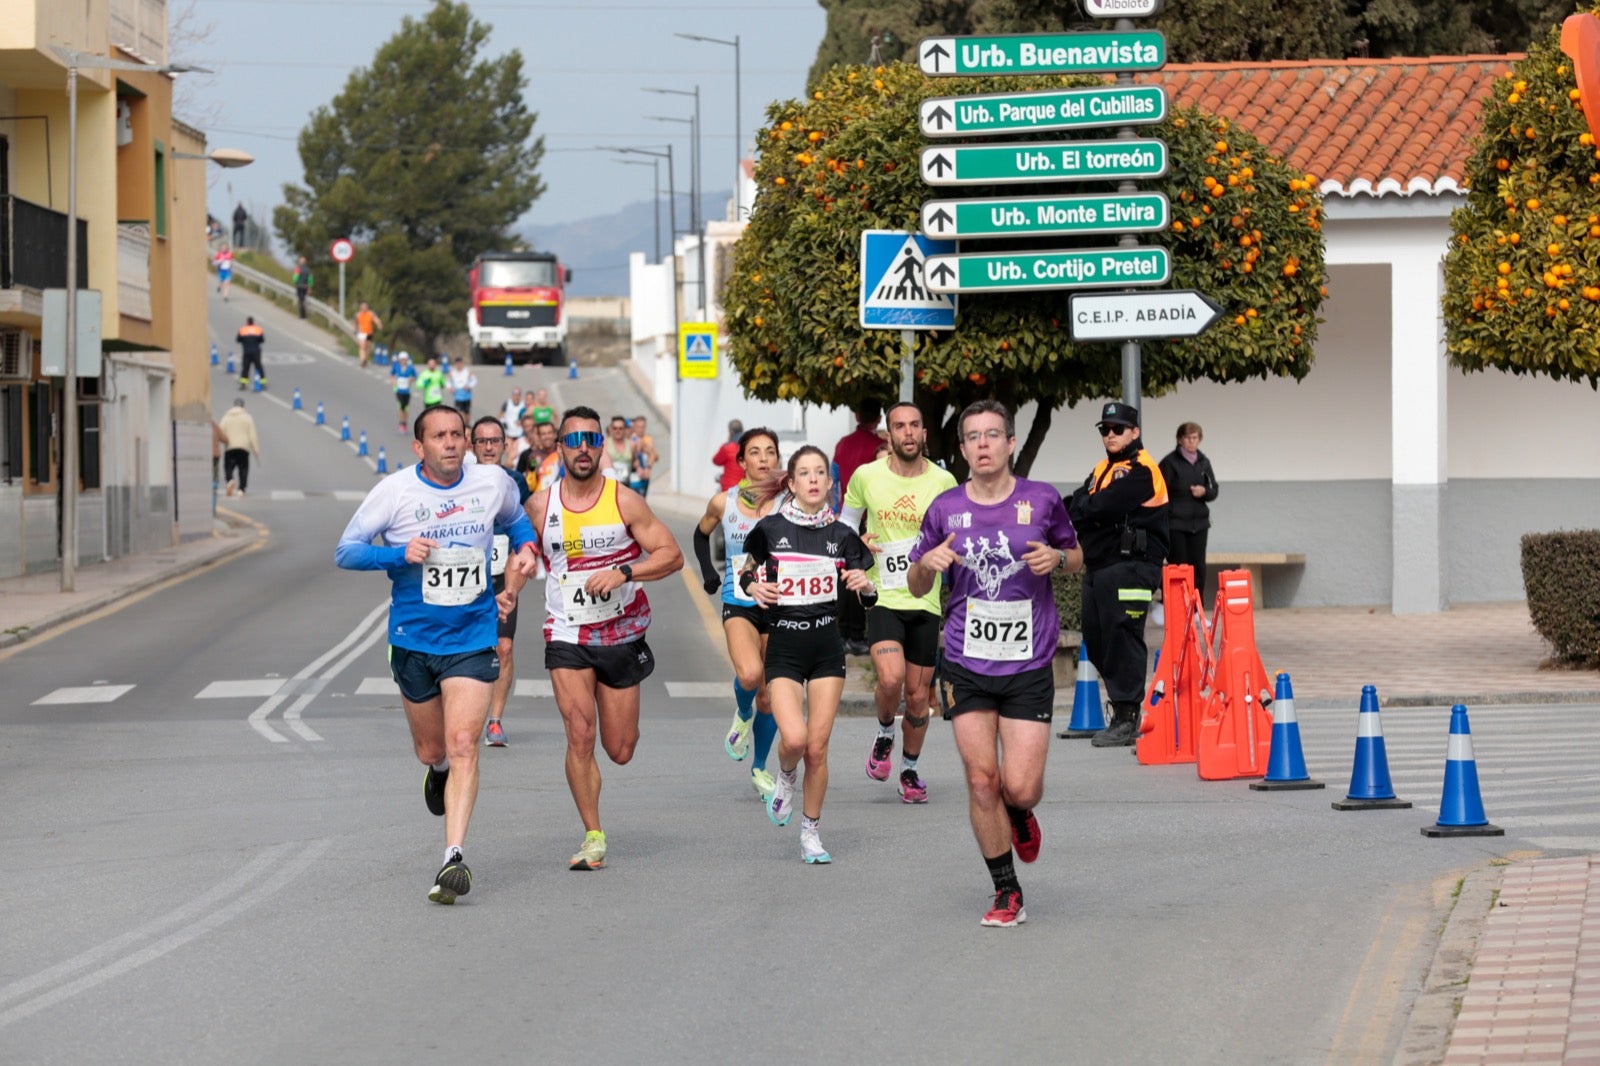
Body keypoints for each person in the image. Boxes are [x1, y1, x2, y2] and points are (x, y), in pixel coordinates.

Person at [336, 405, 539, 903]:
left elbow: (518, 523)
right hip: (413, 641)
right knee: (434, 750)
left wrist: (527, 549)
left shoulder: (491, 482)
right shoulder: (397, 491)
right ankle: (438, 771)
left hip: (472, 636)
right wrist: (396, 554)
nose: (451, 443)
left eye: (457, 435)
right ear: (419, 446)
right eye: (439, 436)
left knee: (464, 742)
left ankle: (453, 857)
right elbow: (346, 550)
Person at [907, 399, 1082, 927]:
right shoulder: (943, 509)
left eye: (993, 435)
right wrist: (926, 566)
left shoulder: (1043, 500)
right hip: (964, 661)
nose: (983, 444)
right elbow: (916, 581)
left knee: (1019, 787)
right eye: (973, 437)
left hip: (1028, 666)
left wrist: (1058, 559)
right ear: (961, 450)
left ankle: (1022, 813)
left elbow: (1076, 557)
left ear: (1009, 443)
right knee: (982, 780)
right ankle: (1007, 890)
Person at [501, 406, 685, 870]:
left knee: (620, 749)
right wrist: (510, 589)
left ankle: (606, 785)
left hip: (621, 633)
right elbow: (521, 558)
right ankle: (593, 835)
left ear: (602, 446)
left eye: (591, 439)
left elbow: (672, 555)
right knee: (579, 732)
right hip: (567, 633)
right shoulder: (541, 506)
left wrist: (623, 570)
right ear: (559, 447)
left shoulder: (624, 500)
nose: (583, 447)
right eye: (574, 439)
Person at [738, 446, 878, 864]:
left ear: (830, 483)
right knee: (795, 740)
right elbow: (746, 571)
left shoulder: (842, 537)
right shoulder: (770, 528)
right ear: (793, 483)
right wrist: (752, 588)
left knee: (817, 748)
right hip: (784, 646)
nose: (814, 479)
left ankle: (810, 831)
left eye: (821, 472)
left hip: (826, 650)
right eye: (805, 473)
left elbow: (867, 596)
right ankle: (784, 777)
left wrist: (865, 586)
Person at [839, 401, 956, 803]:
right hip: (882, 594)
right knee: (890, 680)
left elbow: (957, 534)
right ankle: (886, 729)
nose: (907, 433)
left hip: (924, 599)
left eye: (915, 426)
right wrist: (855, 547)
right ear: (888, 435)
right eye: (899, 426)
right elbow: (844, 527)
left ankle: (909, 769)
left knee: (920, 697)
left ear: (924, 433)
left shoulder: (943, 481)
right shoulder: (866, 476)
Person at [1067, 401, 1170, 749]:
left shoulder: (1143, 469)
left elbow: (1103, 506)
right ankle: (1122, 708)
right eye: (1105, 429)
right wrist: (1085, 509)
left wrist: (1088, 509)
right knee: (1097, 639)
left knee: (1122, 637)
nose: (1110, 435)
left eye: (1118, 429)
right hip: (1100, 566)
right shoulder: (1101, 469)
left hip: (1132, 566)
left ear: (1134, 432)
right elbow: (1080, 505)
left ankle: (1127, 716)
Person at [692, 426, 783, 798]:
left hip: (780, 606)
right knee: (749, 675)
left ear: (779, 459)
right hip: (738, 601)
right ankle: (742, 715)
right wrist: (710, 574)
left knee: (770, 696)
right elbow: (700, 535)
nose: (763, 459)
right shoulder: (723, 502)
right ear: (741, 460)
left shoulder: (789, 502)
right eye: (755, 452)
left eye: (770, 452)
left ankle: (760, 768)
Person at [470, 415, 533, 748]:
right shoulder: (461, 478)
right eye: (482, 441)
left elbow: (523, 525)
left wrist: (524, 557)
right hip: (467, 577)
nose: (489, 447)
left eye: (495, 441)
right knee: (469, 647)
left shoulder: (515, 481)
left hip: (503, 573)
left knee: (504, 648)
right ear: (473, 445)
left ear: (505, 445)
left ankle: (495, 721)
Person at [833, 399, 884, 657]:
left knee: (844, 577)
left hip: (844, 514)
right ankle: (856, 635)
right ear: (878, 418)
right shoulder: (880, 446)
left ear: (856, 415)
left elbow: (834, 480)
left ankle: (843, 635)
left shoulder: (843, 444)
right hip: (868, 518)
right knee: (862, 575)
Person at [1159, 422, 1219, 610]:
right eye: (1188, 438)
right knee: (1179, 566)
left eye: (1195, 438)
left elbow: (1214, 489)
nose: (1192, 442)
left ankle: (1197, 610)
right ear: (1180, 440)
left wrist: (1204, 492)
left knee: (1198, 568)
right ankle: (1177, 608)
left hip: (1199, 523)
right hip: (1176, 524)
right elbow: (1160, 492)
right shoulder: (1170, 462)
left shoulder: (1203, 462)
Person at [217, 398, 260, 497]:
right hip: (243, 447)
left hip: (230, 447)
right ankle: (242, 488)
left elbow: (221, 431)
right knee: (243, 468)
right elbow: (252, 434)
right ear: (243, 406)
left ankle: (230, 480)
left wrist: (220, 443)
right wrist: (256, 449)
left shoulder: (226, 417)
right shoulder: (247, 417)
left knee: (228, 467)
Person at [516, 418, 559, 492]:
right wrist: (533, 469)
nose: (547, 437)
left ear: (555, 435)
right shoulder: (534, 457)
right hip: (542, 497)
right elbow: (530, 485)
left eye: (549, 433)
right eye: (543, 434)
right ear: (539, 437)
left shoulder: (563, 451)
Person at [628, 415, 658, 497]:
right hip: (633, 473)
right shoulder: (631, 438)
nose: (641, 429)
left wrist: (648, 467)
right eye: (638, 427)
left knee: (642, 500)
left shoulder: (649, 438)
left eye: (643, 427)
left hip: (645, 474)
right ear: (634, 427)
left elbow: (655, 456)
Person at [713, 420, 745, 490]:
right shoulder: (749, 447)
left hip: (728, 488)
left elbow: (716, 461)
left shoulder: (727, 447)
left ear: (730, 432)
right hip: (745, 489)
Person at [236, 316, 266, 391]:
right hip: (256, 351)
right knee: (258, 367)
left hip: (246, 351)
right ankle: (263, 383)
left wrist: (245, 341)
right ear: (253, 322)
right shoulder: (258, 329)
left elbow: (238, 340)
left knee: (245, 368)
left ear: (247, 322)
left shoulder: (242, 329)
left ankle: (243, 384)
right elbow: (262, 340)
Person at [391, 351, 417, 432]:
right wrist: (393, 381)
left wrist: (411, 380)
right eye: (402, 360)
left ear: (407, 360)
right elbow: (392, 375)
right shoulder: (396, 367)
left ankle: (405, 422)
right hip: (398, 390)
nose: (403, 361)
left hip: (407, 391)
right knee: (401, 407)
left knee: (406, 408)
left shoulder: (411, 368)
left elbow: (415, 376)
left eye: (405, 360)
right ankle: (401, 422)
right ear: (399, 360)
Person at [604, 414, 634, 483]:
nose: (618, 431)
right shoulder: (604, 443)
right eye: (615, 428)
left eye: (620, 428)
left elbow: (635, 462)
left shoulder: (632, 444)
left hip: (626, 484)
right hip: (609, 483)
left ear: (625, 429)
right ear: (611, 429)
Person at [353, 302, 381, 368]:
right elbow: (355, 322)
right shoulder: (358, 314)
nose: (364, 308)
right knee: (362, 347)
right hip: (361, 332)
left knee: (367, 347)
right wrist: (355, 329)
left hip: (369, 333)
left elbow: (376, 319)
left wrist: (379, 324)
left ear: (367, 307)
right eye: (362, 307)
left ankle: (365, 359)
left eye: (365, 307)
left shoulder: (371, 314)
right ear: (360, 307)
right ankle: (362, 360)